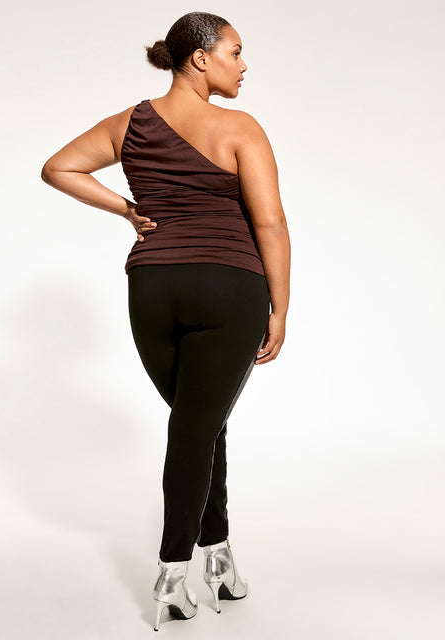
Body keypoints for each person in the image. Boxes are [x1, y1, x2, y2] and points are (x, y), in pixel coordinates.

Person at [41, 11, 291, 632]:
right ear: (201, 58)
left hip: (152, 286)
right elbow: (269, 221)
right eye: (235, 52)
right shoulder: (240, 128)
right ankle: (174, 571)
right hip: (228, 286)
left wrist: (129, 210)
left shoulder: (128, 124)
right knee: (196, 427)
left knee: (201, 422)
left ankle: (219, 558)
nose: (243, 65)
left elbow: (58, 167)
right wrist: (281, 306)